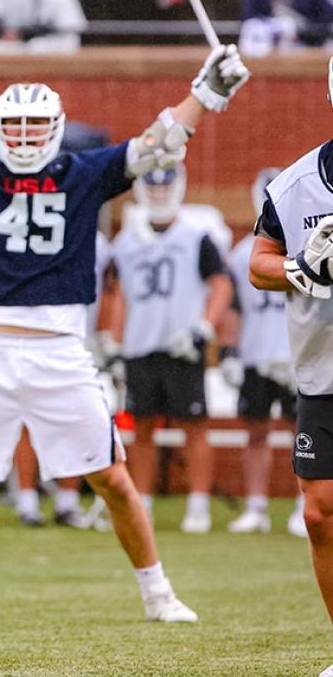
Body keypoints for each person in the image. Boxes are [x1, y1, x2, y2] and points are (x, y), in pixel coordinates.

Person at [0, 1, 249, 622]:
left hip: (60, 348)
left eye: (36, 125)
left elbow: (157, 145)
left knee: (111, 477)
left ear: (53, 126)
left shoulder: (83, 173)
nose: (26, 136)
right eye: (17, 125)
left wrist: (204, 94)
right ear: (1, 129)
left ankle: (158, 592)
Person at [249, 60, 333, 677]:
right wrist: (301, 270)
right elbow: (259, 263)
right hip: (324, 373)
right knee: (320, 513)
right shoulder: (294, 185)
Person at [108, 165, 232, 533]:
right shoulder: (126, 242)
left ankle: (198, 506)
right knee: (141, 427)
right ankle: (140, 503)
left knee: (194, 425)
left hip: (183, 347)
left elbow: (221, 286)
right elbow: (119, 296)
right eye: (153, 188)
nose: (160, 194)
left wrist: (204, 328)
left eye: (166, 187)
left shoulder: (197, 236)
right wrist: (114, 341)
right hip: (140, 346)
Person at [222, 167, 303, 537]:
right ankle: (256, 506)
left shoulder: (308, 243)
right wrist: (229, 353)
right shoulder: (243, 254)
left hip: (297, 355)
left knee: (303, 432)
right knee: (255, 431)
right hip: (255, 353)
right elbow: (235, 306)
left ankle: (304, 504)